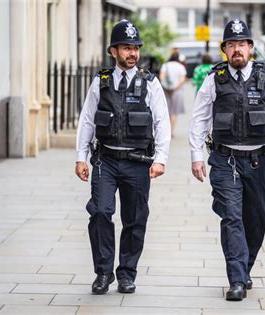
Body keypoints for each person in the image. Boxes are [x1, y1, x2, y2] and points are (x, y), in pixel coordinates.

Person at [189, 19, 265, 301]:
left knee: (257, 219)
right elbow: (199, 119)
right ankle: (235, 280)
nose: (237, 50)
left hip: (259, 160)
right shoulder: (214, 79)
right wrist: (197, 156)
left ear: (250, 48)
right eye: (231, 45)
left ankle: (244, 268)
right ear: (225, 49)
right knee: (231, 218)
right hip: (224, 160)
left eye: (241, 45)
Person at [75, 19, 171, 295]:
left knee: (135, 219)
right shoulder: (100, 82)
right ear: (113, 51)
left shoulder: (150, 83)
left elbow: (162, 122)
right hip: (106, 160)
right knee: (101, 213)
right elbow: (87, 121)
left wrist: (161, 159)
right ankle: (103, 273)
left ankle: (127, 273)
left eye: (135, 48)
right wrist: (81, 157)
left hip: (138, 162)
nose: (132, 53)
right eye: (126, 48)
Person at [159, 52, 187, 136]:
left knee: (166, 111)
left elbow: (161, 76)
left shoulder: (165, 65)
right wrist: (175, 87)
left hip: (166, 90)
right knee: (174, 112)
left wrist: (166, 85)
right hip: (177, 91)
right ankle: (171, 132)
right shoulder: (181, 66)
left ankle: (166, 131)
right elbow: (182, 79)